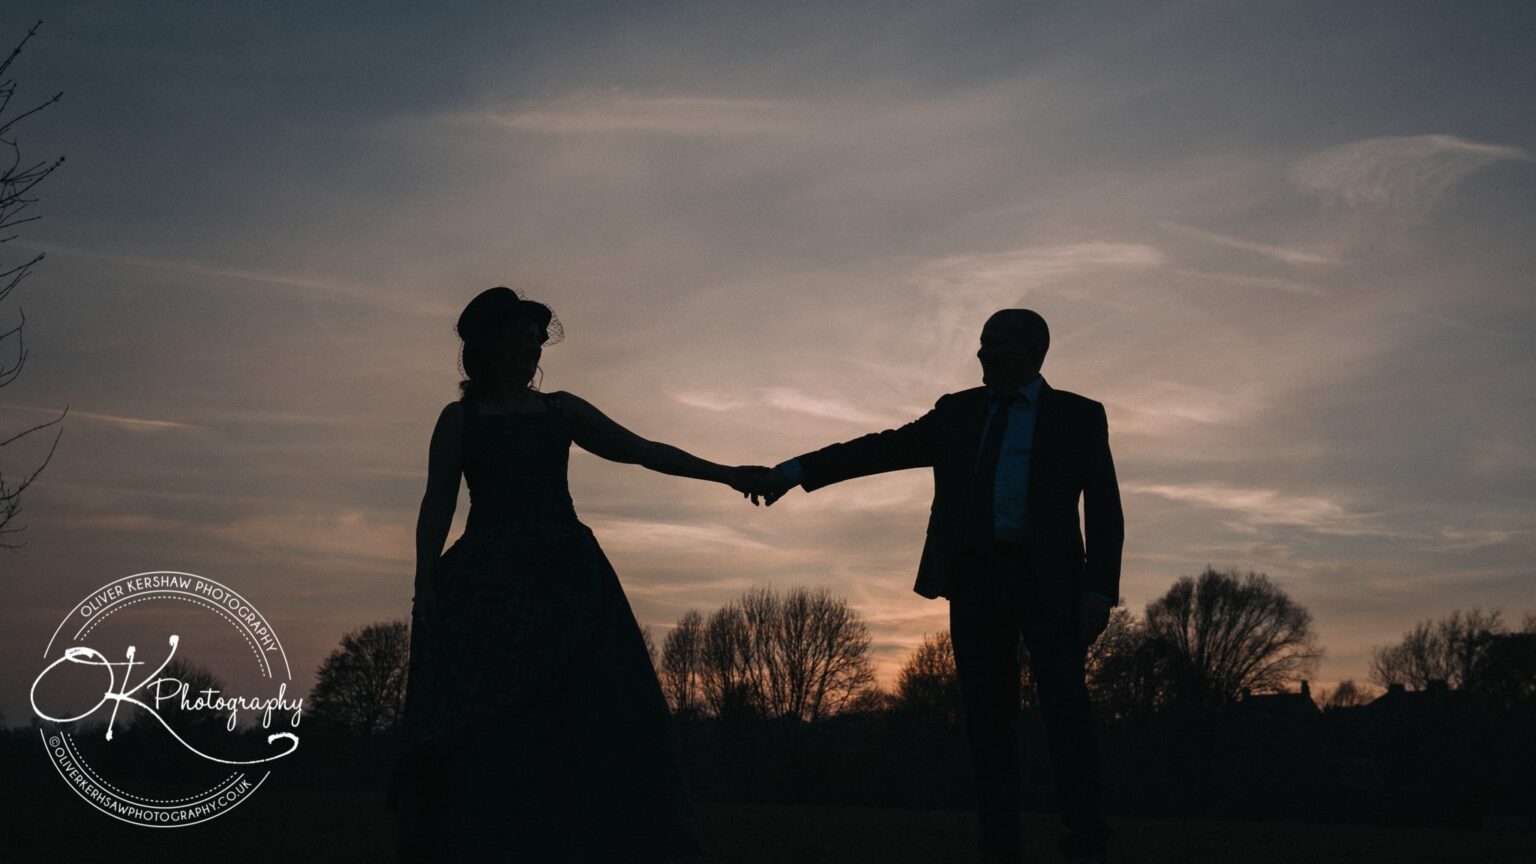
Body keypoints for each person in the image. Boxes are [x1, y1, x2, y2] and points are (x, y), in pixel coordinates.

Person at [389, 287, 766, 863]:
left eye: (536, 335)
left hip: (569, 580)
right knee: (494, 731)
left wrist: (726, 473)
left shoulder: (559, 410)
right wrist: (424, 586)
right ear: (492, 345)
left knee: (599, 712)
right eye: (522, 333)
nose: (536, 342)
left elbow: (641, 450)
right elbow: (436, 502)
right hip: (488, 587)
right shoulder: (459, 419)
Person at [754, 309, 1123, 864]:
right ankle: (1000, 843)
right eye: (980, 343)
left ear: (1031, 351)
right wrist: (794, 471)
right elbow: (880, 448)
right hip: (976, 580)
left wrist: (1098, 590)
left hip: (1051, 585)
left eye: (993, 344)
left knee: (1067, 711)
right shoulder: (958, 413)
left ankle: (1086, 839)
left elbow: (1105, 508)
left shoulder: (1078, 416)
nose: (981, 354)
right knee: (985, 718)